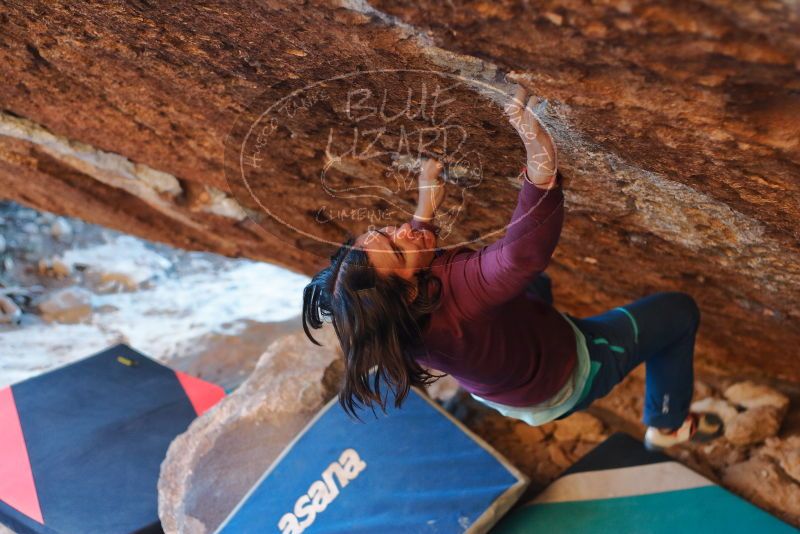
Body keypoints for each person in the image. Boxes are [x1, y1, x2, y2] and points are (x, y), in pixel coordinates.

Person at [302, 87, 721, 451]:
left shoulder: (392, 317)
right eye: (397, 246)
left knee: (532, 286)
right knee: (679, 311)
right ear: (410, 293)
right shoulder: (459, 298)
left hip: (506, 374)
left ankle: (536, 317)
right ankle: (668, 425)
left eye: (385, 231)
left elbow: (404, 272)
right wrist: (539, 159)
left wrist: (424, 212)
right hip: (568, 374)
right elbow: (521, 256)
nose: (401, 231)